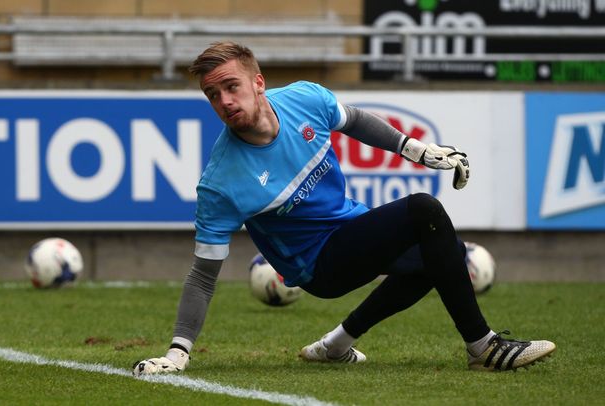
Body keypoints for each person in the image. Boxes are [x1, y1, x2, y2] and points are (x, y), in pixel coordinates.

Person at [132, 41, 555, 375]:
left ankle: (336, 344)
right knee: (423, 209)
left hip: (348, 227)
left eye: (231, 86)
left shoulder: (304, 99)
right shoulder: (221, 183)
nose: (224, 100)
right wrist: (178, 352)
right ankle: (483, 346)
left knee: (442, 256)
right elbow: (203, 278)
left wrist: (418, 151)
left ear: (258, 82)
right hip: (318, 266)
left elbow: (354, 121)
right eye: (212, 94)